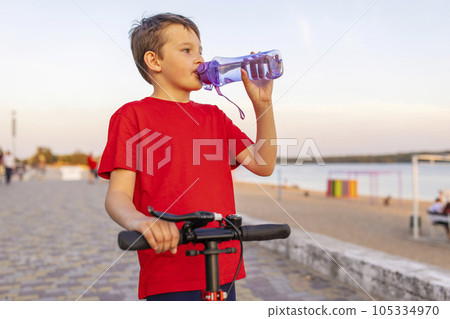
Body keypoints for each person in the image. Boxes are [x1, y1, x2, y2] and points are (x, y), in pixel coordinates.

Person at [98, 13, 276, 301]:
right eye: (186, 50)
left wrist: (263, 105)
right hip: (169, 273)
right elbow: (117, 195)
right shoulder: (132, 116)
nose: (200, 60)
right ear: (154, 61)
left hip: (222, 262)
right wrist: (140, 221)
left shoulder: (214, 117)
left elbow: (264, 164)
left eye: (200, 51)